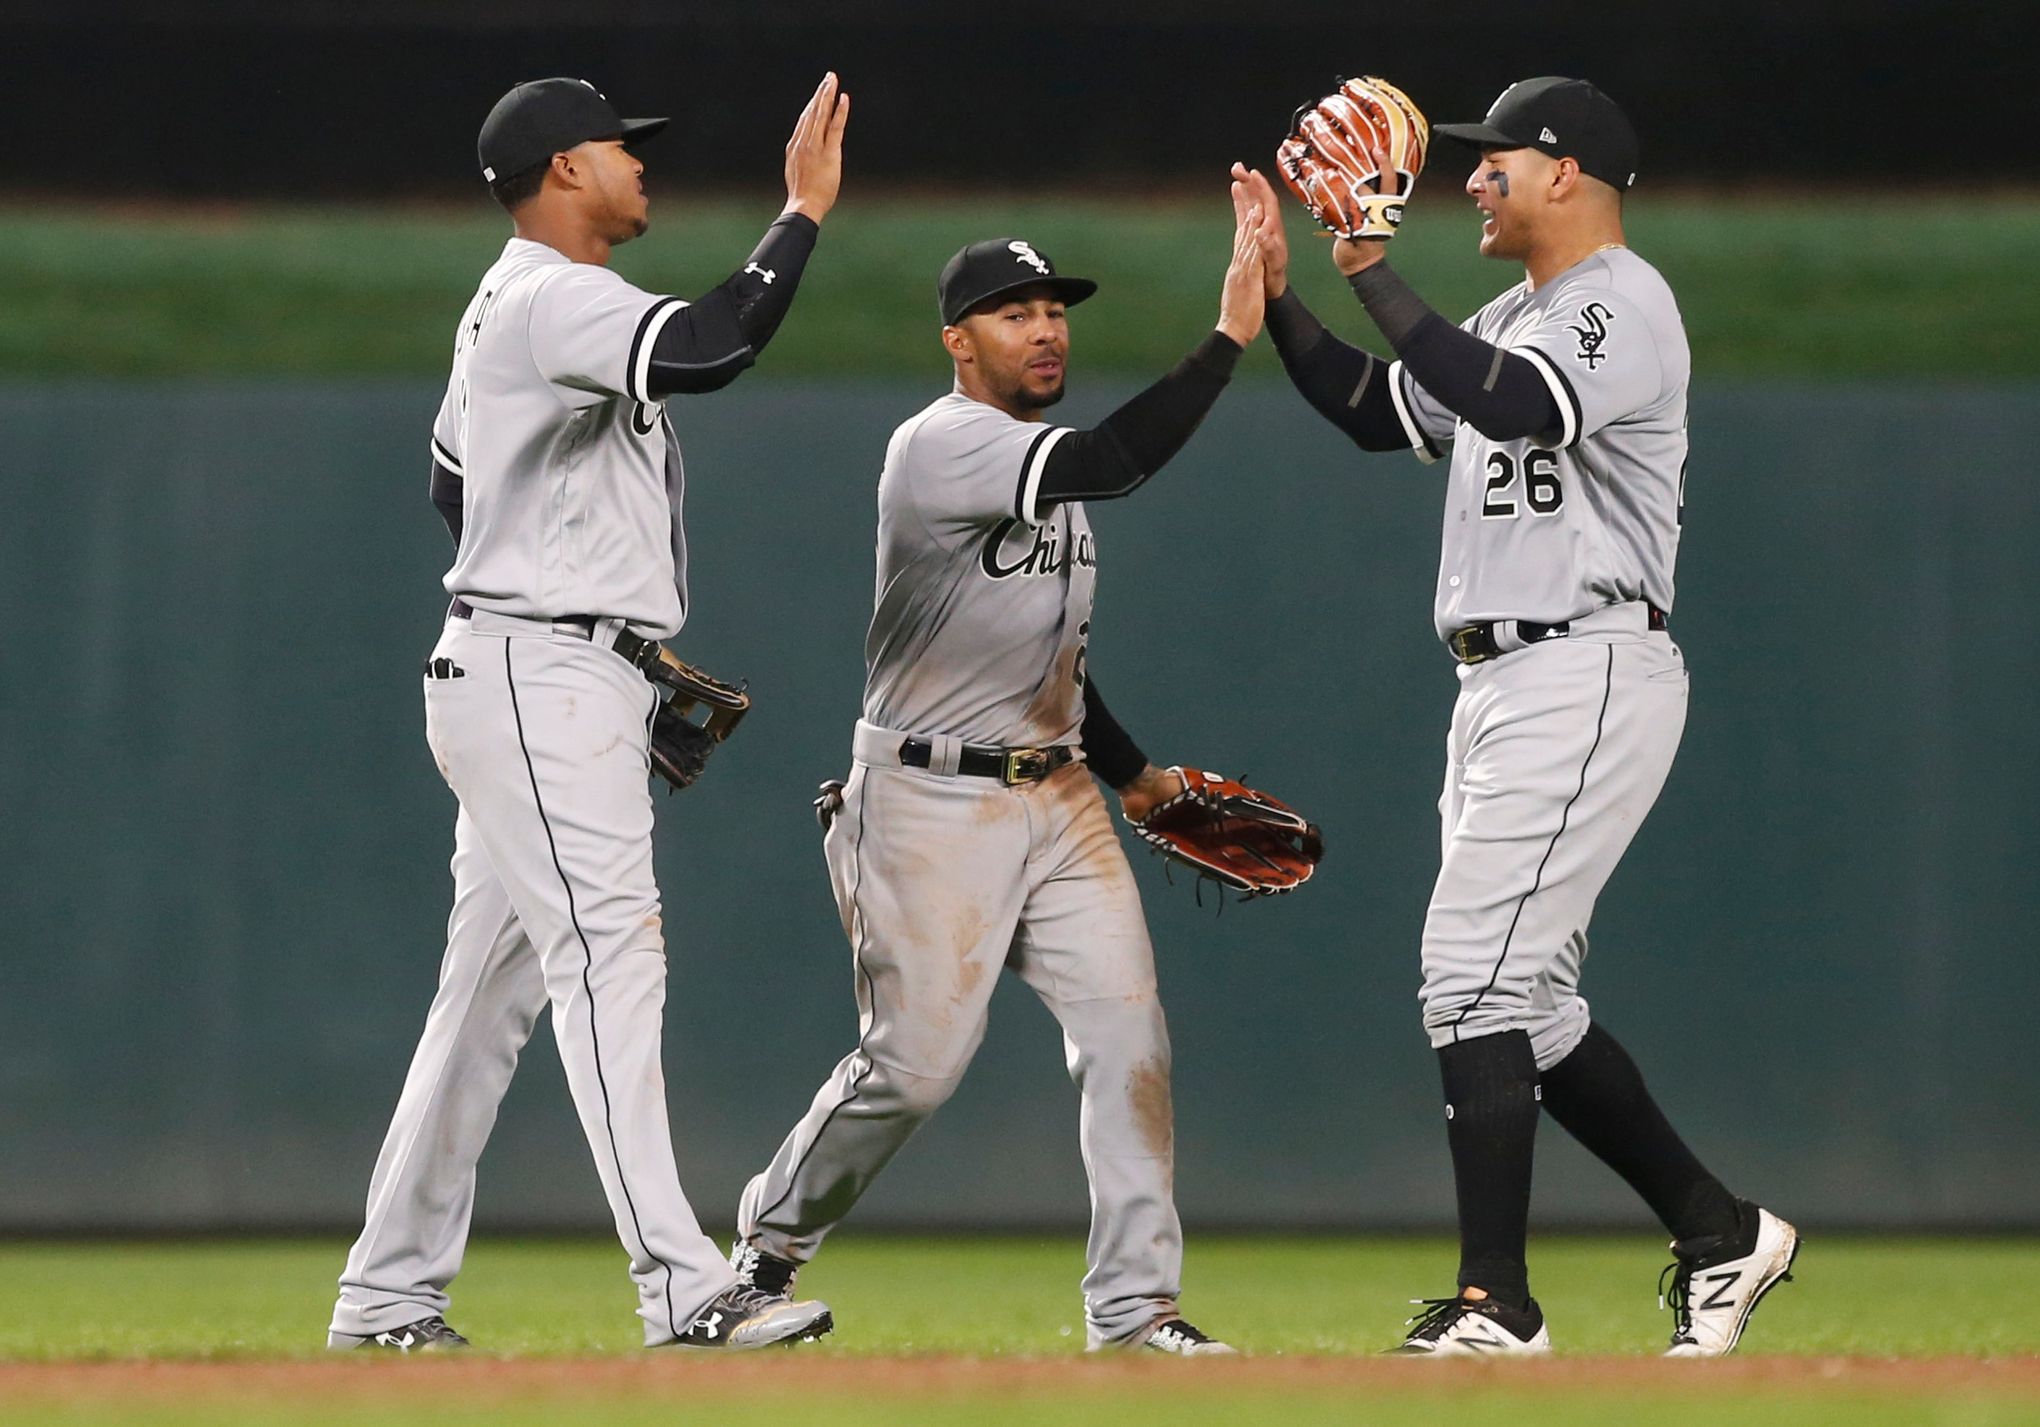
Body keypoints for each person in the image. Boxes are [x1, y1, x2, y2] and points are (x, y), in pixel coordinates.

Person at [1236, 76, 1798, 1356]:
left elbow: (1522, 404)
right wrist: (1280, 293)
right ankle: (1721, 1231)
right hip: (1500, 682)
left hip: (1586, 663)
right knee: (1523, 1003)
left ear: (1569, 172)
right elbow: (1383, 411)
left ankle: (1501, 1301)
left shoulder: (1624, 303)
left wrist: (1373, 265)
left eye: (1500, 160)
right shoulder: (1518, 311)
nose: (1475, 178)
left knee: (1466, 974)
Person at [327, 73, 849, 1352]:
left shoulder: (504, 304)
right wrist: (800, 216)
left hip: (533, 666)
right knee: (613, 963)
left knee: (485, 1004)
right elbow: (713, 346)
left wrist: (582, 614)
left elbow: (454, 483)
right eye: (623, 149)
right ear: (564, 169)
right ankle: (681, 1286)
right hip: (539, 679)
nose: (641, 166)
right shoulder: (559, 293)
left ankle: (386, 1294)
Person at [723, 194, 1273, 1355]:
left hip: (1059, 793)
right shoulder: (945, 445)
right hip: (929, 801)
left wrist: (1134, 777)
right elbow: (1116, 460)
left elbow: (1052, 665)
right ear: (957, 342)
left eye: (1052, 309)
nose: (1044, 329)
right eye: (1011, 311)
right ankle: (760, 1257)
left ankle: (1135, 1311)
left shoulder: (1039, 474)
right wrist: (1228, 335)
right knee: (915, 1068)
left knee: (1131, 1038)